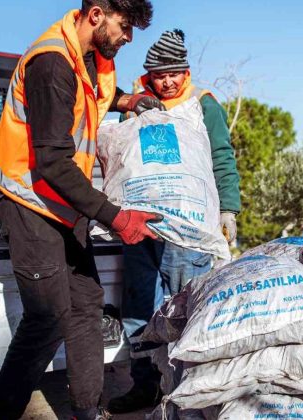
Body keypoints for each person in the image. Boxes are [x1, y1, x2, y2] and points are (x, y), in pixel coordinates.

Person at [0, 2, 166, 419]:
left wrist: (129, 101)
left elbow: (95, 99)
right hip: (28, 199)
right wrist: (116, 217)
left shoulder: (93, 58)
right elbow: (51, 162)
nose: (128, 38)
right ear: (97, 15)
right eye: (126, 27)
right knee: (46, 319)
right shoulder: (51, 63)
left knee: (87, 304)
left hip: (64, 201)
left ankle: (87, 411)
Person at [108, 29, 242, 414]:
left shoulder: (204, 105)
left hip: (187, 231)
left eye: (174, 74)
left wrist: (227, 208)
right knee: (139, 309)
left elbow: (221, 156)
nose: (166, 82)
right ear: (149, 74)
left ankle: (192, 394)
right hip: (140, 225)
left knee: (188, 309)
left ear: (186, 73)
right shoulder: (135, 103)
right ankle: (145, 385)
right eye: (159, 74)